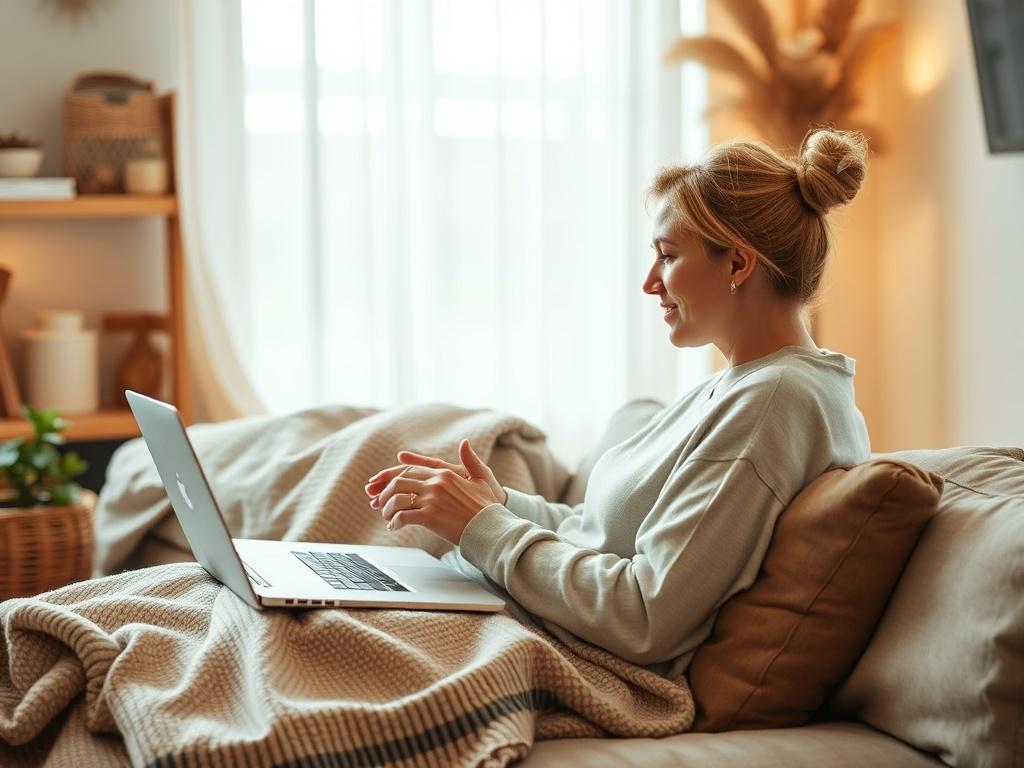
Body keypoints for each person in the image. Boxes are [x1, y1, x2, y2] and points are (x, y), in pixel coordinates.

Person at [363, 127, 872, 680]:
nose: (650, 282)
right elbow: (601, 533)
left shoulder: (774, 402)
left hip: (542, 642)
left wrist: (481, 527)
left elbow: (645, 614)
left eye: (668, 256)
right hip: (500, 605)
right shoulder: (745, 385)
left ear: (737, 265)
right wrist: (499, 504)